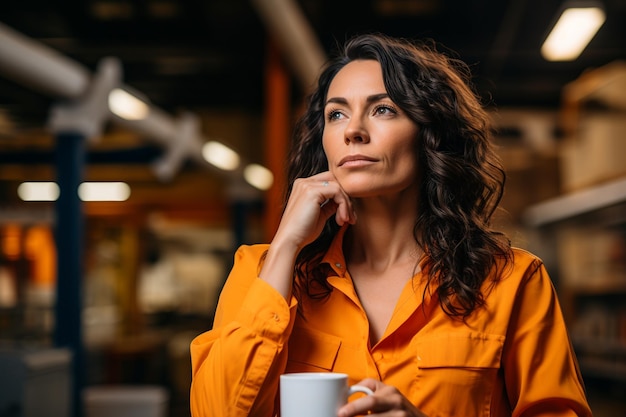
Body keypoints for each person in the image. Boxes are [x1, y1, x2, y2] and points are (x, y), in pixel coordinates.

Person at [189, 33, 592, 417]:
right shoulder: (260, 272)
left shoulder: (512, 281)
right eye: (336, 114)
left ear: (429, 133)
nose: (353, 131)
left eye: (383, 109)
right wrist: (285, 245)